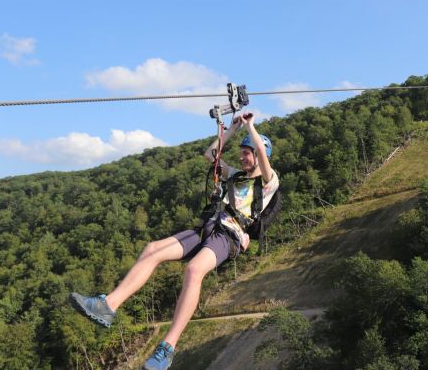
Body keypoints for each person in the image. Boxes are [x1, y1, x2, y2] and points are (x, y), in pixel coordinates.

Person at [69, 112, 279, 370]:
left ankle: (167, 347)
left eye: (247, 153)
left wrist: (250, 125)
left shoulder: (269, 181)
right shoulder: (234, 175)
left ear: (259, 155)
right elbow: (210, 155)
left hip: (229, 235)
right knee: (153, 249)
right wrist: (232, 130)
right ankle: (107, 305)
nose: (242, 156)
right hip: (209, 226)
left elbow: (261, 152)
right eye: (243, 152)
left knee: (193, 270)